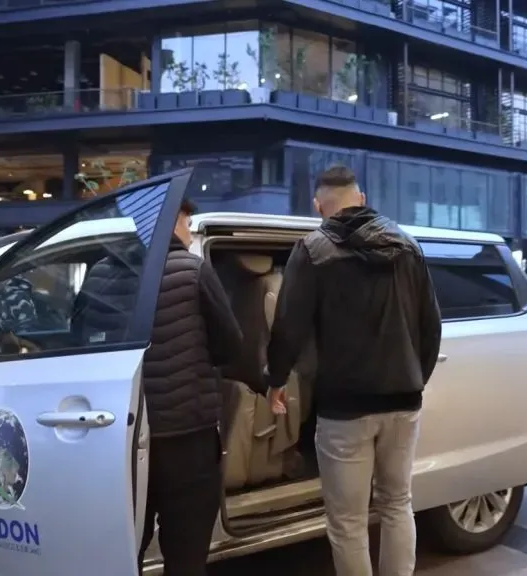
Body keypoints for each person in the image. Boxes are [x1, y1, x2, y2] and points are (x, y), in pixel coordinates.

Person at [265, 165, 442, 576]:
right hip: (403, 402)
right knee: (398, 503)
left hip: (344, 409)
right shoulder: (408, 246)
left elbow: (288, 327)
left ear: (318, 206)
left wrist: (275, 380)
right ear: (360, 199)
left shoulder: (311, 251)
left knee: (348, 522)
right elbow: (430, 326)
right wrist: (415, 380)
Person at [137, 198, 244, 575]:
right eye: (187, 221)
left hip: (123, 438)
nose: (188, 230)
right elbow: (231, 345)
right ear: (174, 221)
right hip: (188, 438)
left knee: (122, 549)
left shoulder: (104, 273)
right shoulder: (193, 270)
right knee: (185, 554)